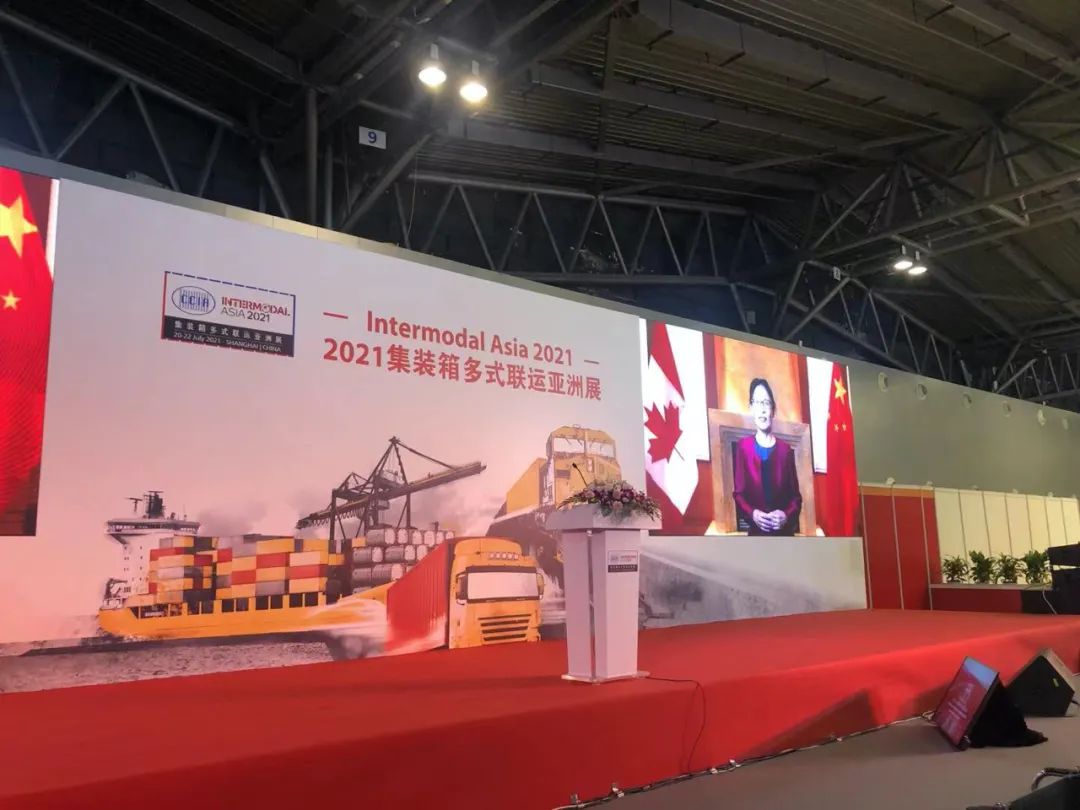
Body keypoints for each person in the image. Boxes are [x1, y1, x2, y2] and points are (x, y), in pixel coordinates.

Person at [732, 378, 802, 535]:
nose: (762, 409)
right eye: (757, 403)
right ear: (751, 408)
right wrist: (753, 514)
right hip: (757, 537)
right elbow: (739, 495)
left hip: (783, 536)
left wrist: (786, 515)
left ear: (773, 410)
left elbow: (796, 499)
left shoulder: (785, 451)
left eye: (766, 403)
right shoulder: (743, 448)